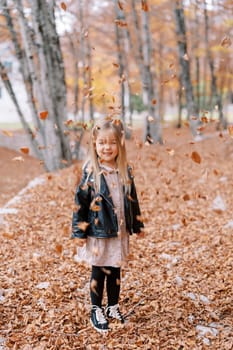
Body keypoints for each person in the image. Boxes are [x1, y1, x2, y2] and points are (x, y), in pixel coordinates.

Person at [71, 117, 144, 333]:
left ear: (119, 145)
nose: (107, 147)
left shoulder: (124, 170)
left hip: (119, 230)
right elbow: (80, 205)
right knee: (99, 270)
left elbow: (133, 199)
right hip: (98, 232)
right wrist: (79, 231)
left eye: (112, 142)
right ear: (95, 144)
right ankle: (96, 309)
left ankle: (113, 306)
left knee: (115, 270)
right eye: (102, 142)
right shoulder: (91, 173)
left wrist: (137, 224)